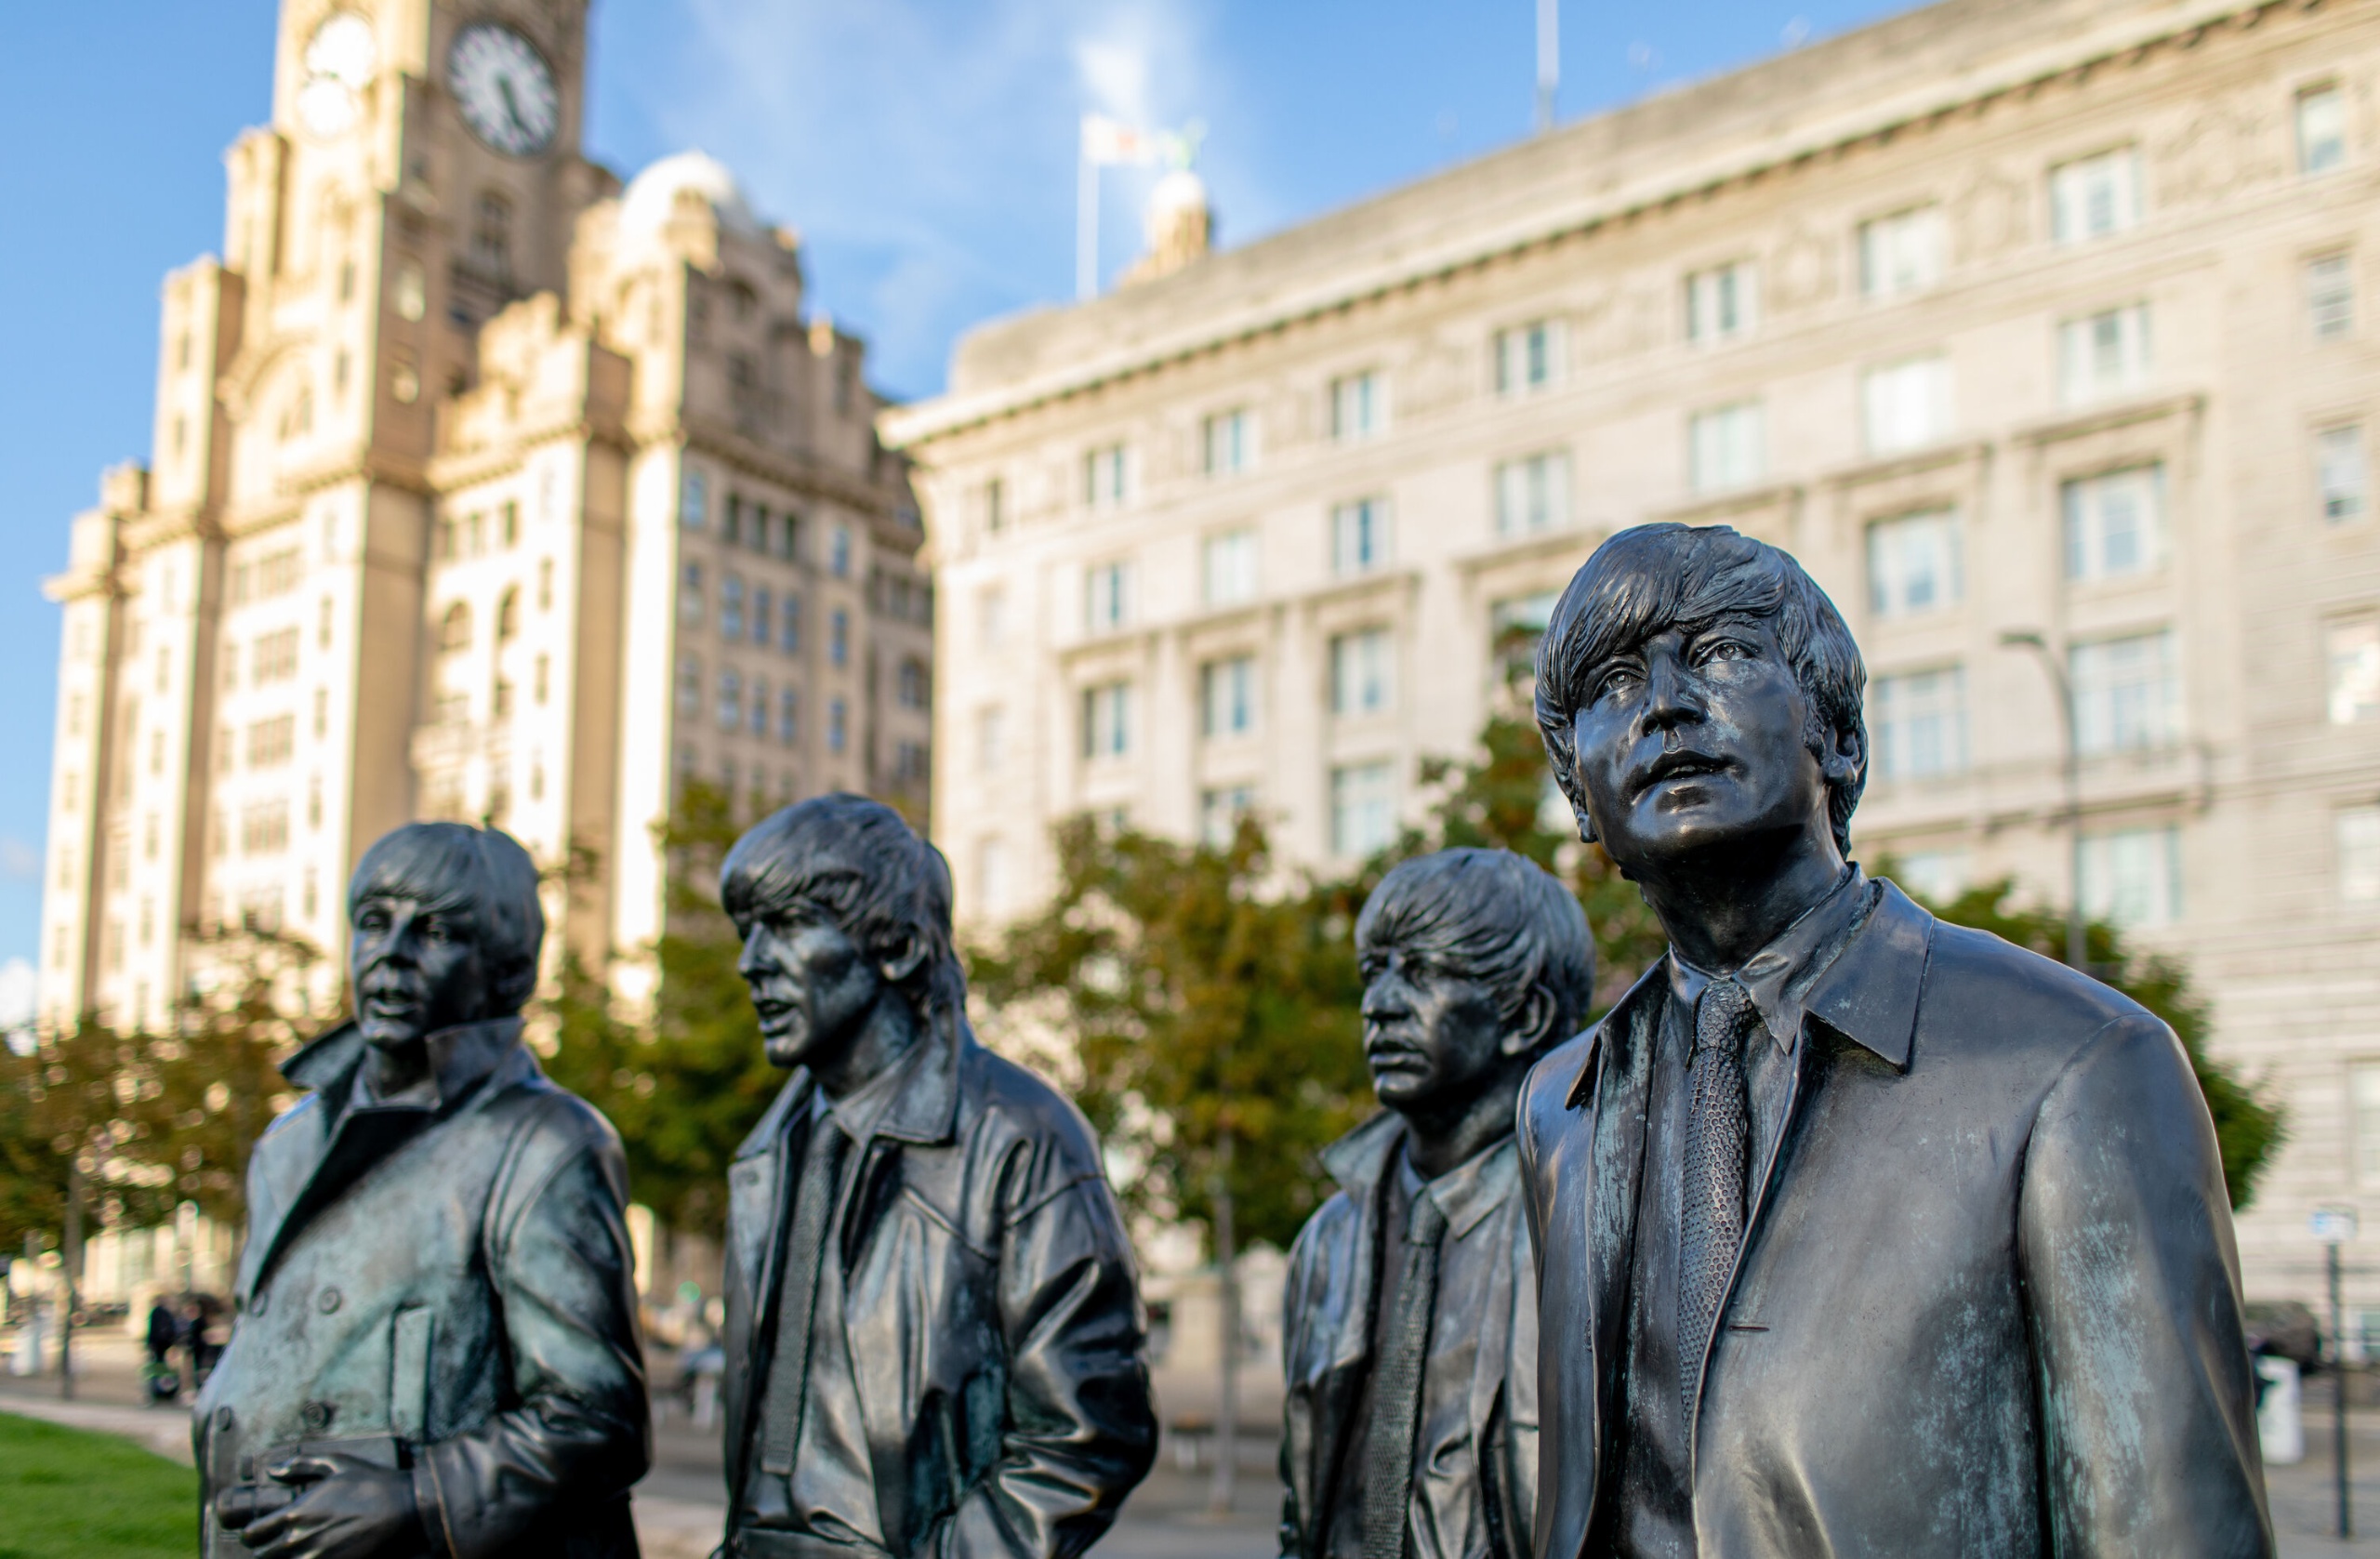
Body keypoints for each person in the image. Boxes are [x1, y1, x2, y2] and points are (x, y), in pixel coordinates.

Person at [1516, 522, 2270, 1557]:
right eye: (1610, 680)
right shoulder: (1563, 1105)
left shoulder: (2074, 1065)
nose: (1664, 703)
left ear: (1838, 737)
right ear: (1579, 800)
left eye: (1723, 654)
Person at [716, 794, 1156, 1559]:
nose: (752, 962)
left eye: (788, 924)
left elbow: (1087, 1433)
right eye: (749, 930)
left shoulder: (1017, 1137)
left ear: (896, 946)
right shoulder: (769, 1153)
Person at [196, 822, 648, 1559]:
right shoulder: (287, 1142)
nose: (392, 953)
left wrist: (422, 1496)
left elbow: (599, 1418)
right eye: (373, 922)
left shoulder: (547, 1141)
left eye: (434, 931)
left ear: (504, 969)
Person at [1279, 850, 1592, 1559]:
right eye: (1373, 971)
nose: (1378, 1003)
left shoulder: (1594, 1222)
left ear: (1528, 1013)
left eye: (1421, 972)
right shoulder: (1328, 1240)